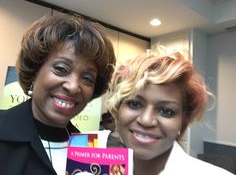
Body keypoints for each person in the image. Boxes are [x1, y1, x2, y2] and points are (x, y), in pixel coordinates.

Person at [0, 13, 116, 175]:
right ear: (35, 70)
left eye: (88, 78)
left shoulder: (91, 149)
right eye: (61, 69)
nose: (74, 86)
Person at [105, 51, 233, 175]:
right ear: (117, 110)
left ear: (183, 121)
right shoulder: (95, 168)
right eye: (135, 104)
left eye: (166, 111)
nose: (146, 120)